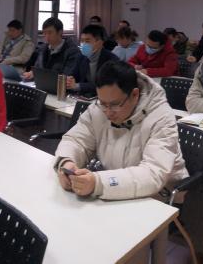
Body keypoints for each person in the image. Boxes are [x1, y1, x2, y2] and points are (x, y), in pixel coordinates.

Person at [54, 61, 189, 200]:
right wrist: (66, 162)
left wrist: (99, 183)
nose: (108, 112)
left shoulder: (161, 117)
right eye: (102, 103)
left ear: (135, 94)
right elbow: (76, 140)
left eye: (115, 104)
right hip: (118, 190)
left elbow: (153, 173)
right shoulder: (98, 110)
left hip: (159, 197)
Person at [21, 17, 86, 83]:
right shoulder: (43, 49)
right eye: (44, 33)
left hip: (62, 87)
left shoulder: (72, 51)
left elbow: (66, 76)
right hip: (43, 84)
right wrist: (32, 73)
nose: (46, 36)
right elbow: (38, 68)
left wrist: (39, 75)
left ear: (60, 32)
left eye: (50, 33)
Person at [68, 24, 121, 97]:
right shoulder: (81, 57)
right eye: (82, 41)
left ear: (99, 42)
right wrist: (69, 80)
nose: (83, 44)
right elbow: (73, 75)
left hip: (105, 98)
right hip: (84, 97)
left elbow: (104, 85)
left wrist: (78, 86)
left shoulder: (112, 60)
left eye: (87, 41)